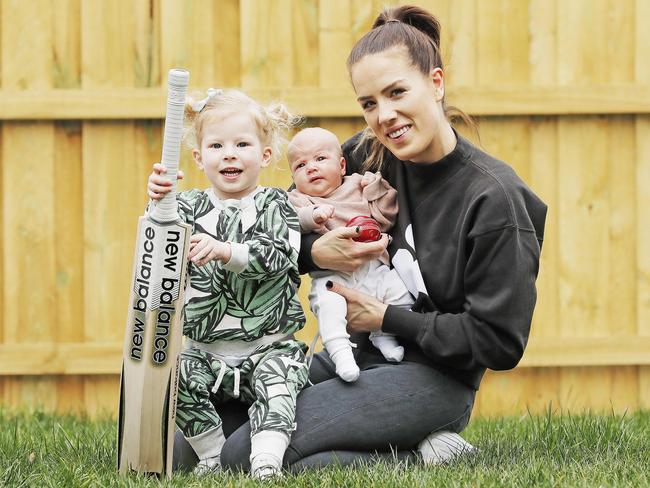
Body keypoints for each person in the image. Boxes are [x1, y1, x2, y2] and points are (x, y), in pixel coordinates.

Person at [174, 4, 547, 472]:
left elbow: (499, 343)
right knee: (184, 443)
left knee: (244, 456)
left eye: (397, 92)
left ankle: (425, 452)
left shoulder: (495, 201)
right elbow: (279, 219)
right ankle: (400, 441)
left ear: (435, 83)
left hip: (431, 376)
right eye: (369, 103)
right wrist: (314, 250)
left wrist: (385, 317)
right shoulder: (367, 155)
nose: (385, 116)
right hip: (348, 356)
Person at [147, 88, 309, 479]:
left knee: (278, 387)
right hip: (205, 350)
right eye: (216, 145)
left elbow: (278, 255)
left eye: (242, 144)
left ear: (265, 155)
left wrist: (224, 251)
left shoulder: (277, 204)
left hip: (267, 346)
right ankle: (214, 455)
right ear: (200, 158)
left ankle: (266, 461)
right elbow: (158, 246)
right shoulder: (187, 208)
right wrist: (158, 200)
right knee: (177, 379)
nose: (229, 153)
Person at [286, 127, 413, 382]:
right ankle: (340, 353)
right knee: (328, 306)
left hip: (373, 268)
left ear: (342, 165)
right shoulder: (299, 199)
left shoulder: (358, 185)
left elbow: (386, 217)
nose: (311, 167)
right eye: (300, 165)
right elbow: (288, 223)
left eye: (320, 159)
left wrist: (377, 190)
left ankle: (383, 334)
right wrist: (312, 217)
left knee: (401, 291)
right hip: (333, 276)